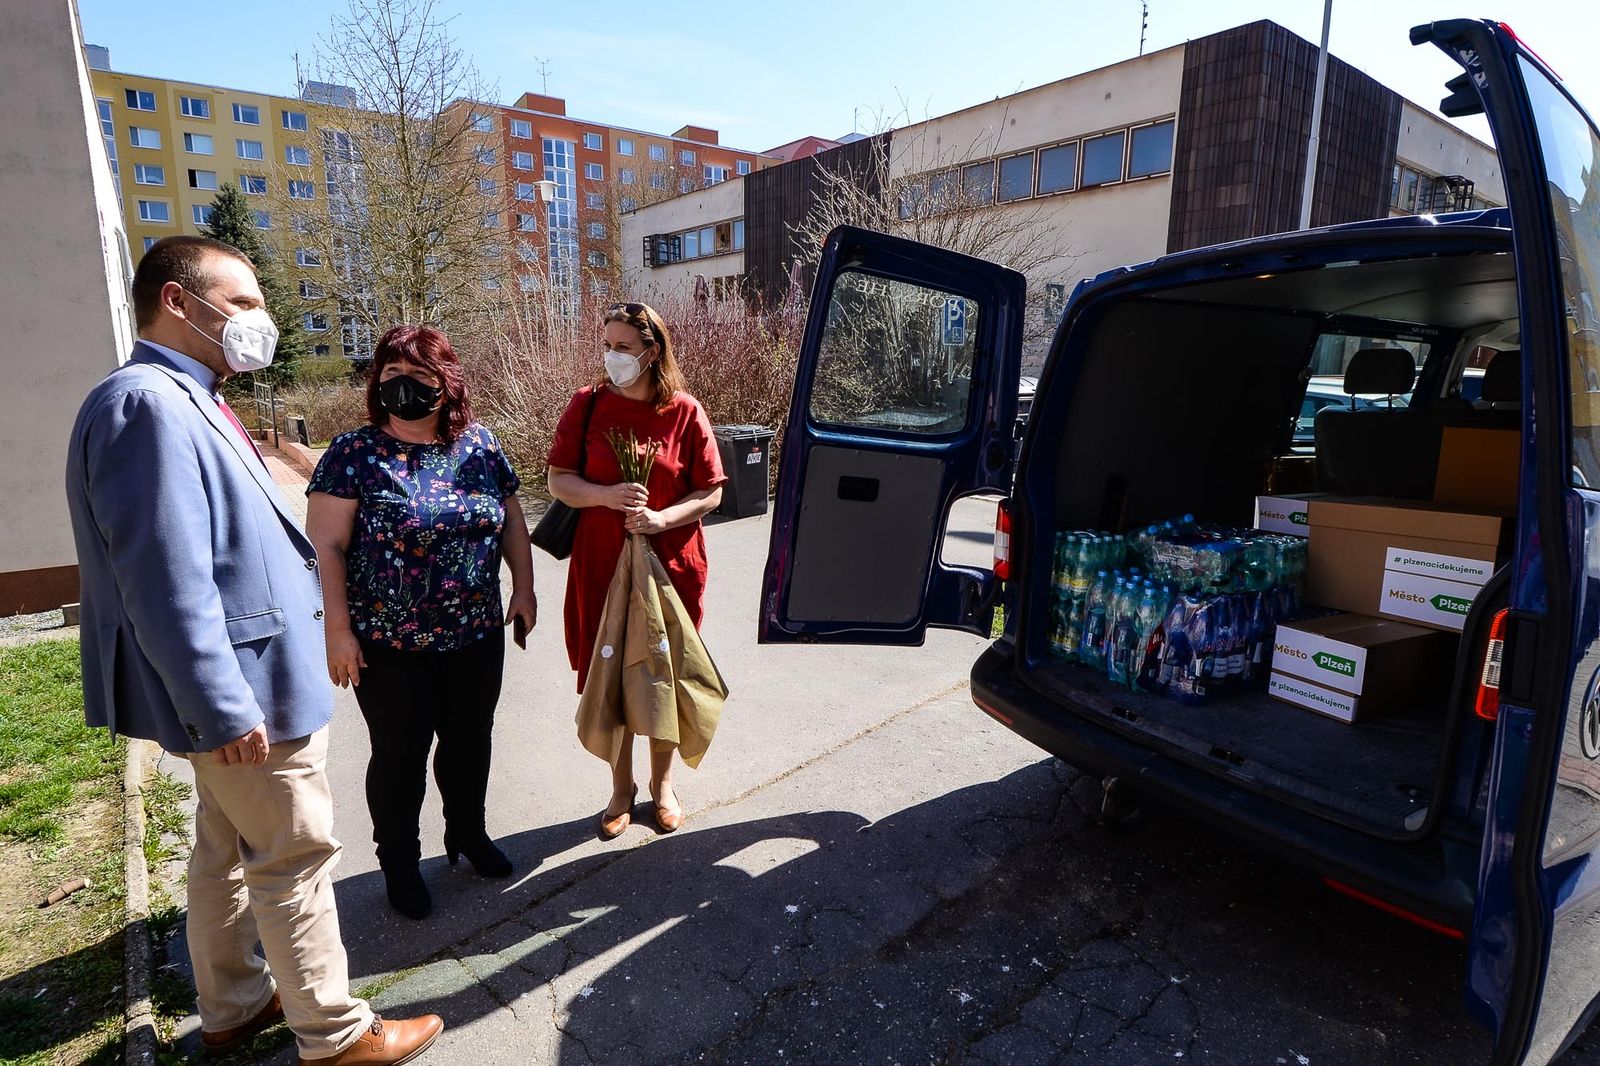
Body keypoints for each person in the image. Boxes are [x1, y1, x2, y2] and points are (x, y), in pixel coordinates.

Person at [64, 236, 441, 1064]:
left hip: (252, 683)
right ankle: (336, 1036)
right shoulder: (148, 405)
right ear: (177, 303)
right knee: (294, 856)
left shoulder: (186, 395)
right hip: (246, 695)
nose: (258, 321)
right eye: (240, 304)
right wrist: (220, 704)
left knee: (225, 850)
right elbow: (166, 581)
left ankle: (232, 1004)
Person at [306, 325, 535, 921]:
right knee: (400, 757)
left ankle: (468, 835)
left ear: (446, 383)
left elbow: (510, 519)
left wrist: (525, 590)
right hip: (388, 644)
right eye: (390, 377)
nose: (402, 387)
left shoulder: (480, 444)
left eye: (418, 377)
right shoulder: (354, 454)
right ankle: (400, 865)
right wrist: (338, 631)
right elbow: (327, 545)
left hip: (475, 635)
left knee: (469, 744)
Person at [547, 301, 727, 838]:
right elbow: (559, 480)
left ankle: (663, 786)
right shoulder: (588, 404)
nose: (612, 356)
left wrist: (660, 517)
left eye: (624, 347)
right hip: (602, 566)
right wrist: (606, 495)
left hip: (671, 568)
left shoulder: (685, 411)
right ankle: (620, 789)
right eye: (608, 345)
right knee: (612, 677)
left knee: (665, 675)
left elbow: (712, 491)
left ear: (653, 351)